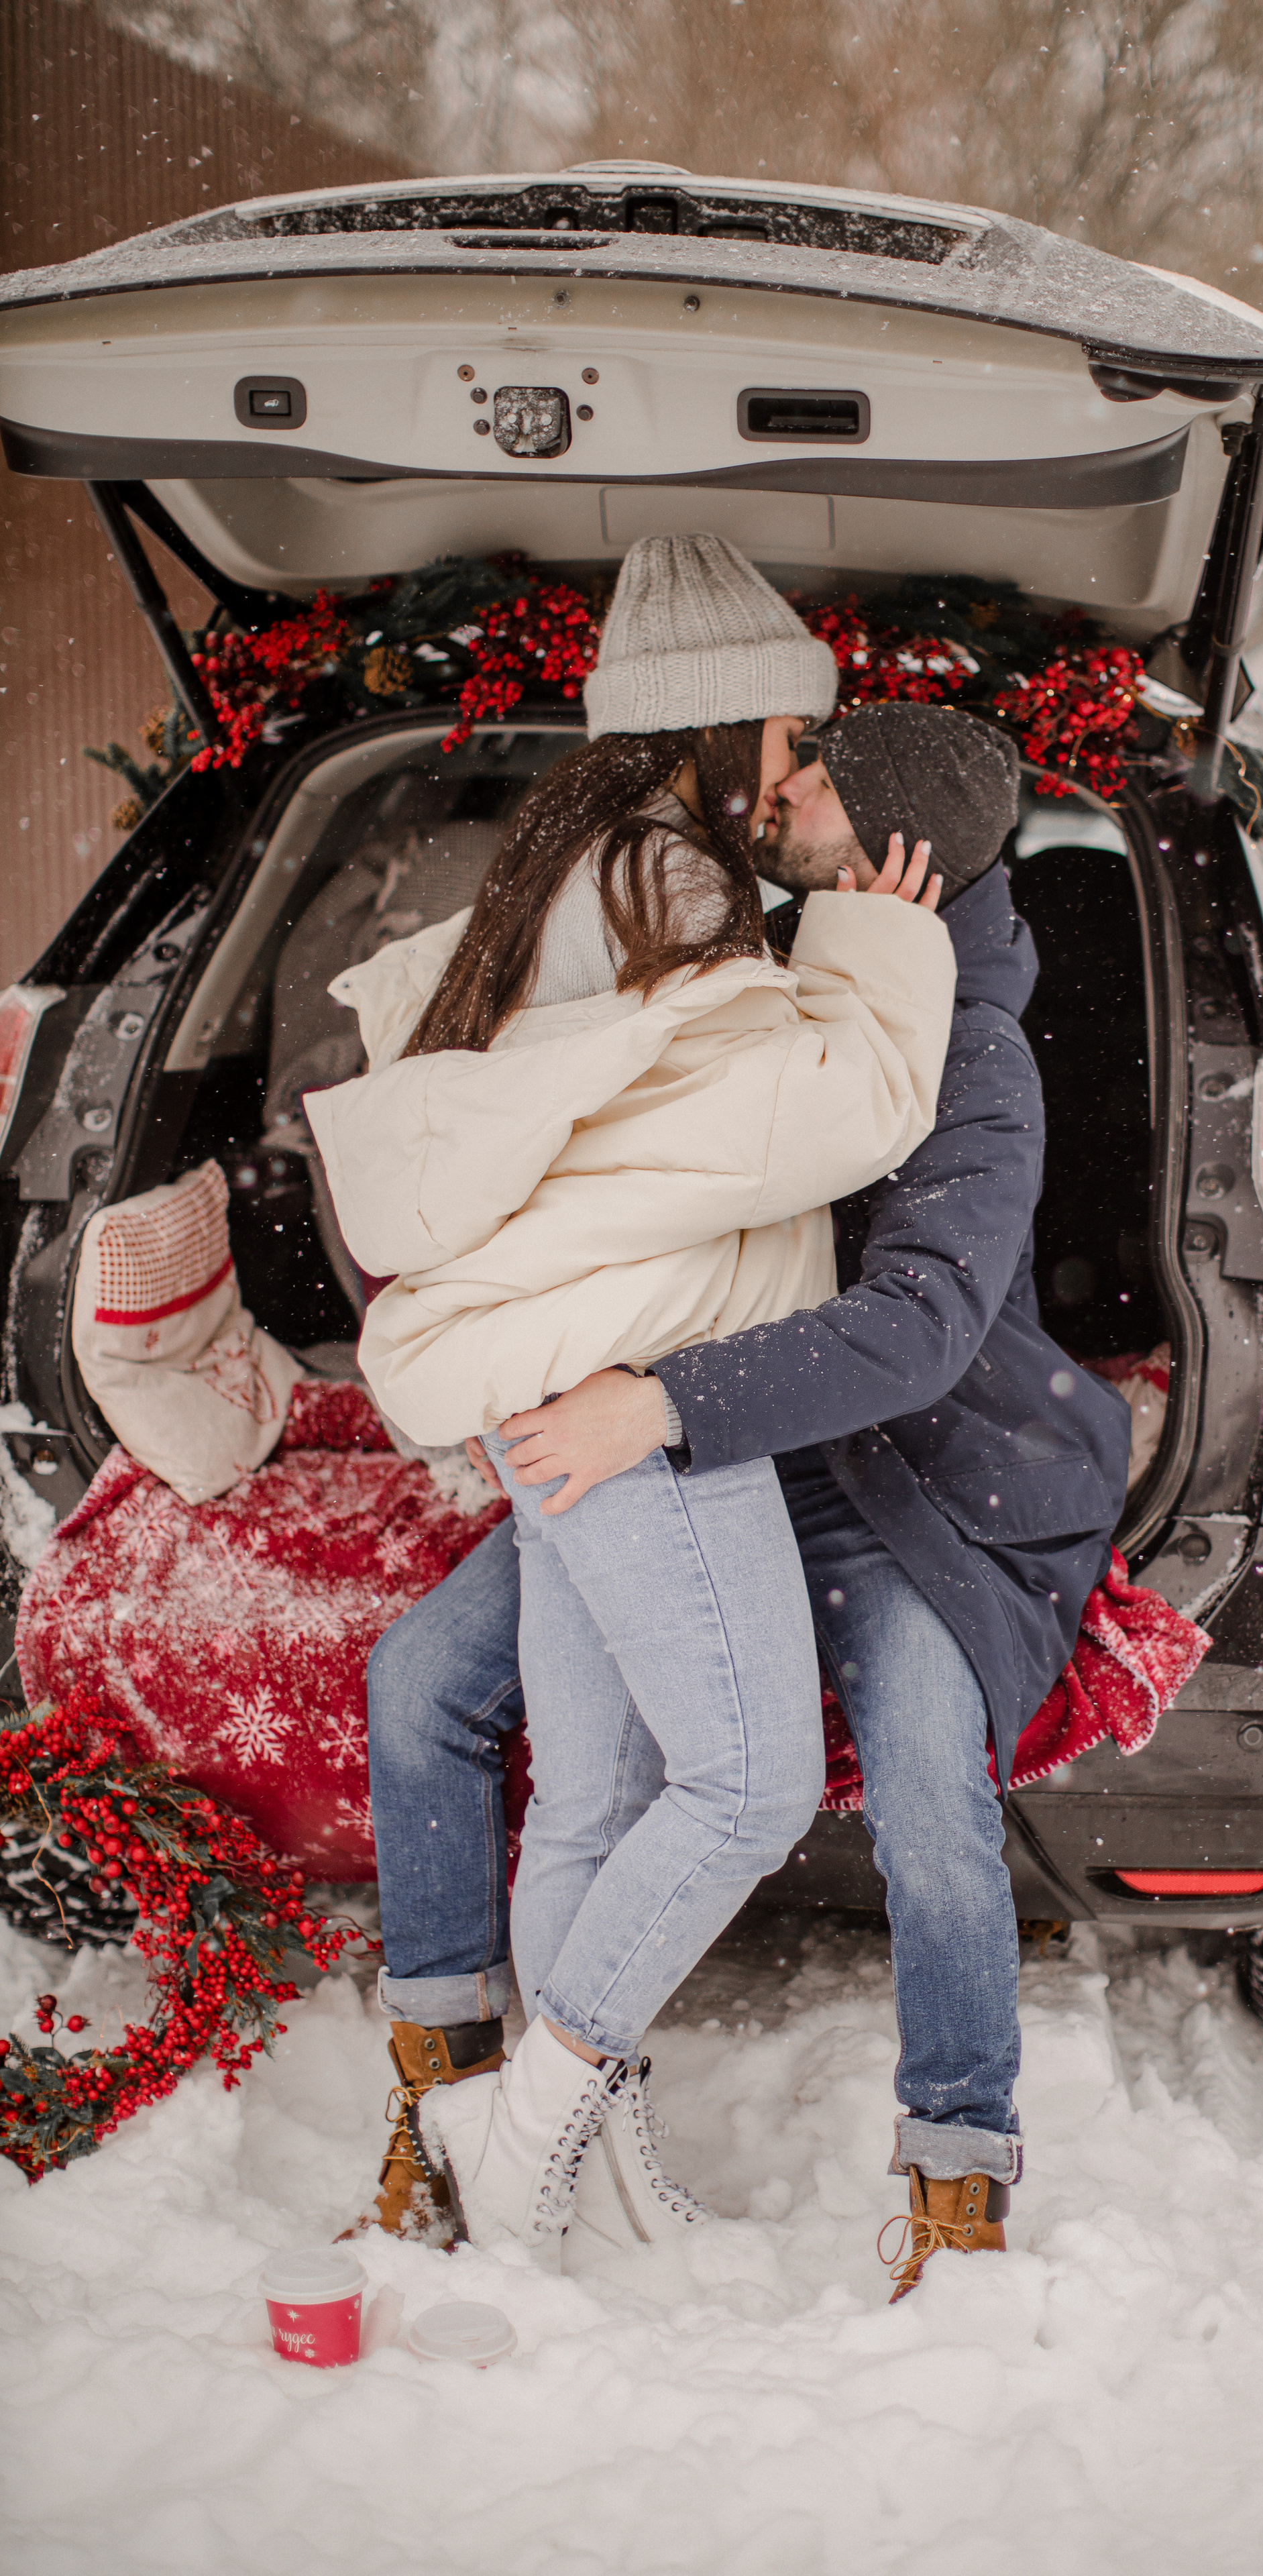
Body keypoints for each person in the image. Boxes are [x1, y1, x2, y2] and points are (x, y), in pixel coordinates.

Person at [357, 686, 1132, 2296]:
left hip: (915, 1481)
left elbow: (915, 1331)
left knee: (925, 1782)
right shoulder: (767, 948)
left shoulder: (970, 1055)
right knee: (427, 1680)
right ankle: (465, 2100)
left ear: (895, 840)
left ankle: (955, 2175)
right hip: (725, 1440)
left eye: (818, 782)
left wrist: (659, 1401)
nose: (778, 797)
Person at [307, 534, 956, 2260]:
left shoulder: (572, 861)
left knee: (596, 1798)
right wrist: (882, 937)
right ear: (715, 724)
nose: (798, 777)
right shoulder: (663, 878)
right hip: (632, 1392)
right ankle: (519, 2126)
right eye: (790, 740)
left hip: (555, 1391)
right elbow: (823, 1112)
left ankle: (562, 2172)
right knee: (742, 1790)